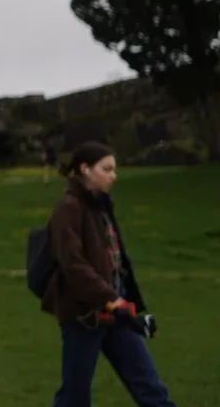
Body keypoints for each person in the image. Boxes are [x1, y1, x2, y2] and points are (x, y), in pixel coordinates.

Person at [44, 142, 175, 406]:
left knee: (150, 388)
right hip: (84, 316)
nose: (114, 175)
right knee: (75, 397)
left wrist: (128, 307)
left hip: (116, 310)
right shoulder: (68, 208)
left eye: (114, 169)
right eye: (107, 169)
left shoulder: (101, 206)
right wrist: (111, 301)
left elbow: (117, 261)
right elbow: (73, 265)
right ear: (86, 170)